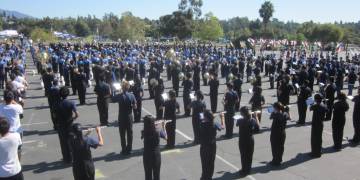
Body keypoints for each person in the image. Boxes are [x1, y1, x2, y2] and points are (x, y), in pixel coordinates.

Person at [112, 81, 137, 155]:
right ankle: (129, 149)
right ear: (128, 87)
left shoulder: (119, 96)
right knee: (130, 133)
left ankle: (123, 149)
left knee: (122, 134)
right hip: (129, 116)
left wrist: (115, 91)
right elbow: (135, 106)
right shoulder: (131, 95)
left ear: (122, 88)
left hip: (121, 116)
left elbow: (112, 99)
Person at [57, 87, 79, 163]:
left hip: (60, 125)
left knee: (63, 142)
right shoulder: (71, 103)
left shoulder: (56, 104)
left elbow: (54, 115)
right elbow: (77, 114)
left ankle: (66, 158)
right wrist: (72, 118)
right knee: (71, 141)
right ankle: (73, 156)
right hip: (69, 123)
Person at [237, 106, 260, 176]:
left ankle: (244, 169)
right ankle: (248, 169)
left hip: (242, 139)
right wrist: (256, 117)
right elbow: (257, 128)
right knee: (249, 155)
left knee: (243, 155)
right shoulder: (252, 120)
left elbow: (237, 124)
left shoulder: (240, 120)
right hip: (250, 139)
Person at [199, 110, 218, 180]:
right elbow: (221, 127)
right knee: (211, 162)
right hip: (212, 146)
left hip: (204, 146)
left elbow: (201, 122)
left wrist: (203, 118)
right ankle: (209, 176)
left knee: (204, 163)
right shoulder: (214, 124)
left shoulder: (202, 124)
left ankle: (204, 177)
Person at [142, 115, 162, 180]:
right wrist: (163, 126)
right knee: (156, 175)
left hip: (147, 155)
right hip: (156, 156)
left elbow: (149, 127)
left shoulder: (144, 132)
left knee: (147, 175)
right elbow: (166, 136)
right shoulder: (157, 132)